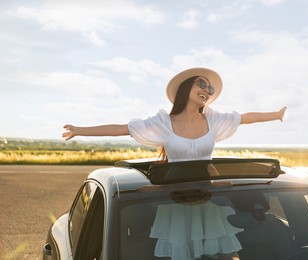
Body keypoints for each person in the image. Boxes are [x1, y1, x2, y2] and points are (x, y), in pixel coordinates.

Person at [63, 67, 287, 260]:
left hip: (207, 200)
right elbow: (120, 129)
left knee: (228, 253)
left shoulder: (213, 119)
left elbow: (246, 117)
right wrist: (79, 130)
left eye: (209, 89)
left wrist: (276, 115)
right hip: (175, 203)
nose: (206, 91)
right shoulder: (163, 123)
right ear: (185, 87)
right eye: (202, 84)